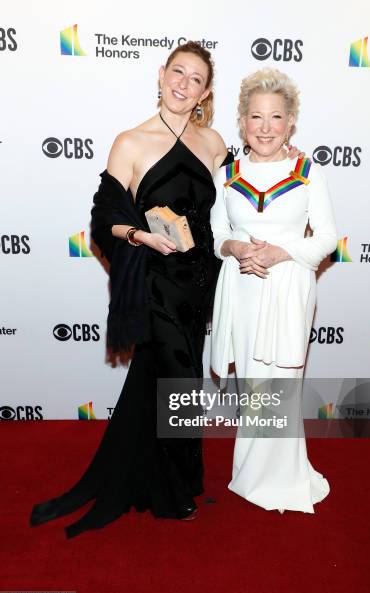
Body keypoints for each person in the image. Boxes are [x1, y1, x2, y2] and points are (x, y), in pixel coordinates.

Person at [30, 45, 302, 538]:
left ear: (205, 92)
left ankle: (158, 471)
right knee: (179, 377)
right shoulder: (131, 142)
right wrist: (139, 236)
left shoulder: (215, 143)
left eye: (196, 79)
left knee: (168, 381)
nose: (184, 84)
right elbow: (103, 218)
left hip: (201, 283)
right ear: (161, 75)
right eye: (178, 72)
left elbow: (242, 197)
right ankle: (173, 490)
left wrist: (286, 162)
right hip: (155, 279)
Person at [210, 68, 337, 513]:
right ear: (243, 121)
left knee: (281, 379)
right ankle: (250, 474)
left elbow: (326, 240)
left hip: (287, 287)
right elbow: (216, 234)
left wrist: (281, 253)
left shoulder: (307, 171)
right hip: (242, 287)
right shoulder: (226, 173)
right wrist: (237, 247)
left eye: (276, 117)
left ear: (290, 122)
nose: (266, 127)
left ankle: (282, 477)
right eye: (256, 117)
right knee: (253, 382)